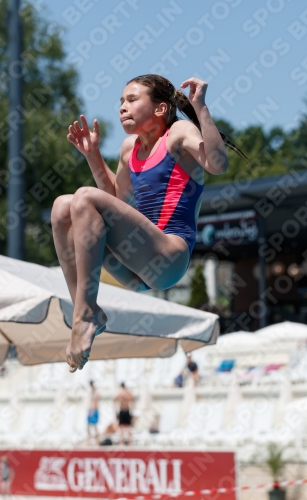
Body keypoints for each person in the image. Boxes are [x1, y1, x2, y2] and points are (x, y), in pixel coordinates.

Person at [51, 74, 247, 372]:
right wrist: (93, 156)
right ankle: (85, 311)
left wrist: (201, 106)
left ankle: (86, 316)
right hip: (135, 265)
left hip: (168, 256)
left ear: (159, 109)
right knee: (62, 208)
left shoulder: (178, 133)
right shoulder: (129, 149)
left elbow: (217, 164)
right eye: (120, 102)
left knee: (81, 198)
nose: (122, 107)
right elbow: (113, 201)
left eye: (131, 100)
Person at [86, 380, 99, 444]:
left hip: (93, 409)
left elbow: (94, 401)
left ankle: (94, 440)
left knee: (92, 425)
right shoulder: (93, 391)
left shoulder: (94, 391)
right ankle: (91, 439)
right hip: (92, 409)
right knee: (91, 425)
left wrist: (92, 410)